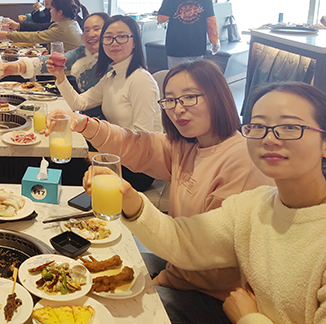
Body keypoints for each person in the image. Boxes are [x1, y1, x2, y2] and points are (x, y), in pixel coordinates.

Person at [48, 59, 275, 323]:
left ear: (217, 96)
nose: (178, 109)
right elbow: (137, 144)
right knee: (86, 274)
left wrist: (160, 281)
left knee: (111, 312)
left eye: (189, 97)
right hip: (178, 269)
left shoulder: (242, 161)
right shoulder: (189, 145)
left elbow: (208, 255)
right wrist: (84, 123)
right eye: (171, 100)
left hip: (216, 298)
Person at [85, 81, 326, 324]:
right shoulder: (253, 205)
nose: (270, 139)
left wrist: (248, 317)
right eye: (259, 126)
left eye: (290, 127)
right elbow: (184, 242)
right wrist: (130, 199)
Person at [47, 15, 162, 191]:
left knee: (61, 164)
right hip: (116, 155)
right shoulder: (111, 76)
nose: (114, 42)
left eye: (122, 36)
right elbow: (79, 103)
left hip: (136, 169)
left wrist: (100, 156)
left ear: (135, 42)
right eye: (108, 37)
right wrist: (60, 76)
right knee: (57, 155)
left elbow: (142, 140)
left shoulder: (141, 80)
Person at [2, 13, 110, 95]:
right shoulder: (82, 52)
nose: (91, 34)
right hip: (86, 114)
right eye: (86, 30)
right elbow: (56, 60)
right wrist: (18, 66)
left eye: (96, 29)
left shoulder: (114, 60)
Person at [158, 0, 219, 69]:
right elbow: (211, 20)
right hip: (196, 44)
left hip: (175, 45)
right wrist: (214, 41)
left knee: (175, 75)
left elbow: (161, 19)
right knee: (194, 76)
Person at [0, 0, 83, 52]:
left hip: (67, 70)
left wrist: (8, 35)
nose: (50, 11)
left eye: (52, 8)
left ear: (60, 12)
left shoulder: (61, 28)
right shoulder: (72, 23)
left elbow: (36, 36)